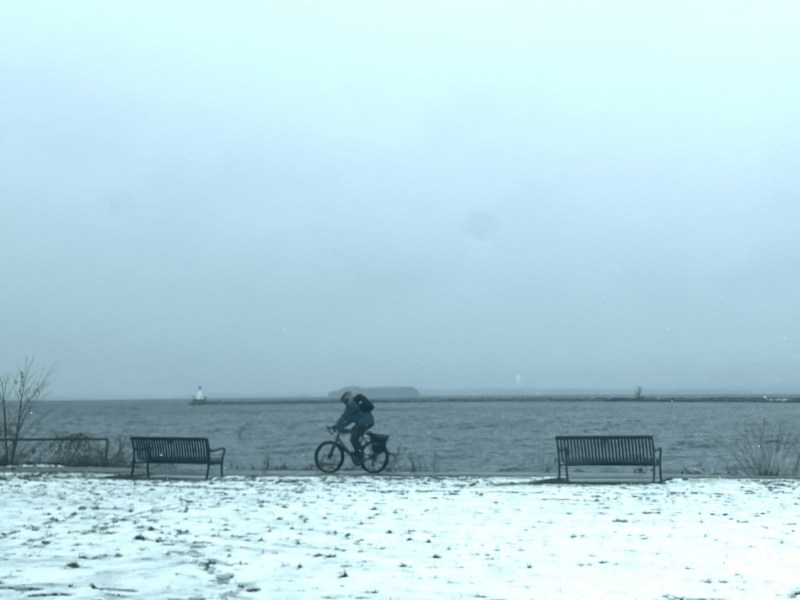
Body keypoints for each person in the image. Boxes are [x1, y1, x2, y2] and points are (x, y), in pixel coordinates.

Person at [332, 391, 374, 463]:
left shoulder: (351, 404)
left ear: (346, 399)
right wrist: (340, 425)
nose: (344, 403)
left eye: (344, 401)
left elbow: (345, 416)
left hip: (364, 423)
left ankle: (360, 456)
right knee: (353, 433)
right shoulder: (354, 404)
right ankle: (358, 453)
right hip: (365, 422)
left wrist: (337, 425)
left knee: (353, 439)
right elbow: (350, 419)